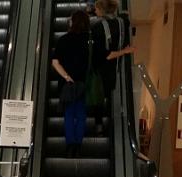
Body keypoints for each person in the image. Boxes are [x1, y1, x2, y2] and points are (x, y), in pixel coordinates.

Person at [90, 0, 135, 136]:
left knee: (98, 97)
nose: (95, 11)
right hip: (115, 68)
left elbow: (106, 55)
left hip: (100, 68)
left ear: (102, 10)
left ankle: (99, 124)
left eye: (96, 9)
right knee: (109, 94)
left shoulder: (97, 28)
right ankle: (109, 124)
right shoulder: (122, 22)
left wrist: (124, 52)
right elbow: (126, 20)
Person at [53, 11, 92, 158]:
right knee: (81, 115)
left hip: (67, 84)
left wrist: (66, 76)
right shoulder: (90, 40)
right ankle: (78, 146)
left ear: (72, 22)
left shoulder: (63, 39)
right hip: (84, 82)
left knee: (68, 114)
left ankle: (70, 145)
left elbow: (55, 62)